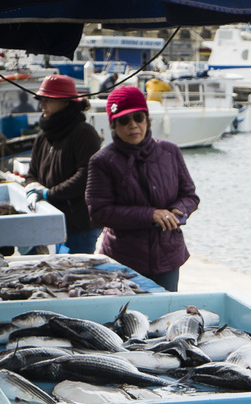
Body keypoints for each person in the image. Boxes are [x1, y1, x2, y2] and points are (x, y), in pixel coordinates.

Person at [85, 85, 199, 292]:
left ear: (147, 119)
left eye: (139, 117)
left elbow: (190, 196)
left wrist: (175, 212)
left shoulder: (170, 151)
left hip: (168, 257)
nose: (133, 125)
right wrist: (150, 215)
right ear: (113, 125)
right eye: (124, 120)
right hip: (124, 259)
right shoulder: (101, 161)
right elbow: (99, 213)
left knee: (166, 312)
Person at [25, 74, 102, 254]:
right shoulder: (43, 136)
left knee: (77, 276)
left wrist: (47, 193)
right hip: (48, 222)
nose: (41, 105)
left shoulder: (84, 133)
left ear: (66, 102)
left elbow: (86, 176)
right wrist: (31, 189)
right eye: (41, 99)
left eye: (47, 100)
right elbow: (31, 173)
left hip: (79, 227)